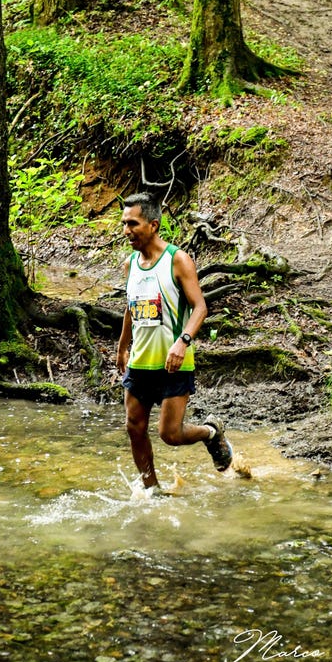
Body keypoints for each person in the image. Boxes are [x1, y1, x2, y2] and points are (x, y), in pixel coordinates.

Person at [115, 192, 232, 491]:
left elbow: (200, 307)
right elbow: (131, 308)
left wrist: (183, 341)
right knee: (134, 427)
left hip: (174, 361)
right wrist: (122, 347)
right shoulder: (130, 264)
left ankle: (210, 432)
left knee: (170, 434)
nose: (126, 230)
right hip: (141, 360)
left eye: (133, 224)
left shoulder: (177, 260)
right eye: (124, 224)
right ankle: (151, 490)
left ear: (153, 225)